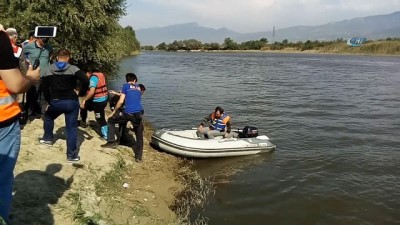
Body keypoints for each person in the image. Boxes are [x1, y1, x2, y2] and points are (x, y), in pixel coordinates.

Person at [0, 25, 41, 225]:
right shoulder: (1, 41)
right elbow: (15, 84)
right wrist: (32, 78)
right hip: (3, 124)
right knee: (2, 179)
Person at [40, 49, 89, 162]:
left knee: (48, 116)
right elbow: (85, 80)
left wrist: (48, 101)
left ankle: (48, 138)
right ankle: (71, 156)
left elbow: (44, 87)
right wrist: (81, 93)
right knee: (71, 128)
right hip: (71, 102)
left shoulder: (48, 69)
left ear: (57, 57)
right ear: (68, 58)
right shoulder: (73, 68)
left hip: (56, 101)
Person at [101, 73, 144, 162]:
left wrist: (113, 112)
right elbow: (132, 97)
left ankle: (111, 142)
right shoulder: (139, 88)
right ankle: (138, 157)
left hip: (128, 113)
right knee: (139, 134)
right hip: (139, 113)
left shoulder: (125, 86)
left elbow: (121, 101)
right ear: (135, 80)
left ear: (127, 80)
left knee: (111, 120)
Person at [23, 33, 53, 118]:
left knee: (45, 96)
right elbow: (21, 54)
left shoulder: (49, 47)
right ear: (38, 38)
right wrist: (27, 64)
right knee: (32, 95)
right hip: (34, 76)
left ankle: (43, 113)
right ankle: (29, 114)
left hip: (46, 76)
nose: (44, 42)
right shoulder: (29, 46)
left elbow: (51, 54)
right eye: (43, 40)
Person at [79, 70, 109, 139]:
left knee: (100, 118)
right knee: (84, 106)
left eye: (86, 74)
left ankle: (106, 135)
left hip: (99, 101)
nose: (86, 76)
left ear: (89, 72)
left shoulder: (93, 78)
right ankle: (83, 122)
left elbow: (92, 92)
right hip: (103, 99)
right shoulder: (101, 74)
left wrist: (85, 99)